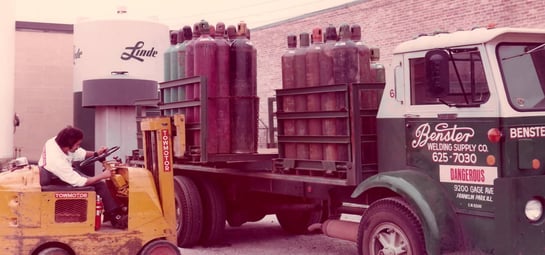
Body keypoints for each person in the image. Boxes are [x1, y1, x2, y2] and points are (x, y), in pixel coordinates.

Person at [38, 126, 128, 229]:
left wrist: (96, 154)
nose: (78, 147)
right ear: (67, 145)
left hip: (57, 174)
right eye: (77, 144)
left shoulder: (55, 142)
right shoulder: (57, 162)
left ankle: (109, 211)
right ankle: (117, 217)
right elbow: (81, 182)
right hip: (56, 178)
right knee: (100, 185)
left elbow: (78, 153)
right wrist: (103, 176)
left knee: (94, 180)